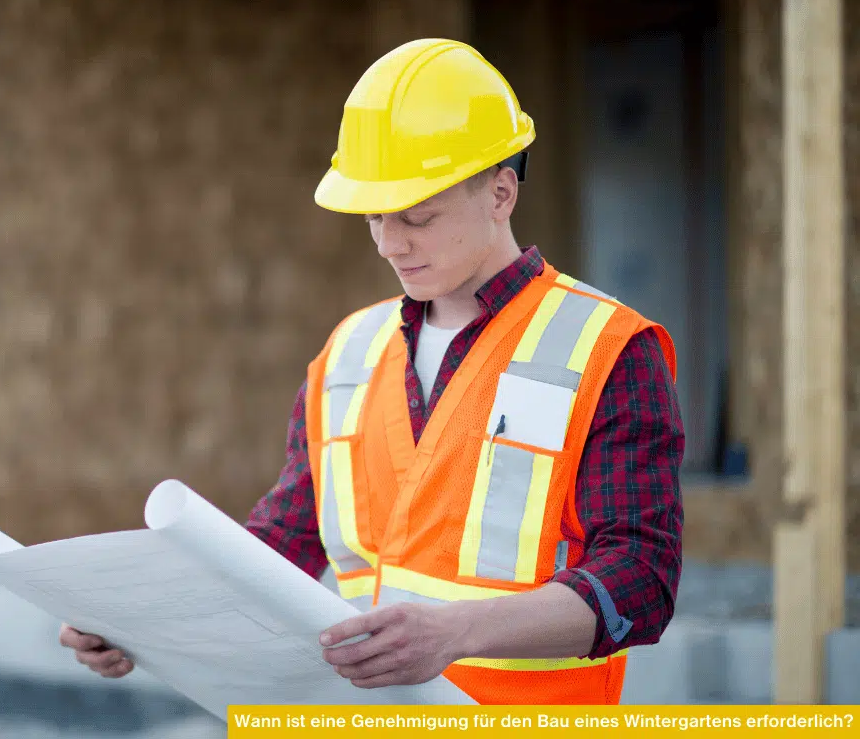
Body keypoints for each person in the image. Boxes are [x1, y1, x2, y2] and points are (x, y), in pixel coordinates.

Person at [59, 38, 684, 705]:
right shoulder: (348, 353)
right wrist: (144, 620)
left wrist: (455, 633)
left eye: (417, 216)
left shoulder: (606, 346)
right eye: (375, 216)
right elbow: (286, 540)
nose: (390, 242)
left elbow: (640, 579)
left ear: (500, 192)